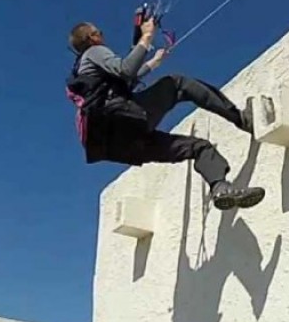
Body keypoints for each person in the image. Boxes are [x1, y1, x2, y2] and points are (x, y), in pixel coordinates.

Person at [65, 17, 265, 210]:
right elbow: (126, 70)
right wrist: (147, 36)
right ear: (92, 38)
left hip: (121, 146)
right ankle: (242, 119)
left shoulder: (83, 73)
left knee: (199, 147)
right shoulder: (94, 52)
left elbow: (126, 79)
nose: (102, 35)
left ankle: (220, 187)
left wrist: (154, 62)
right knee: (178, 84)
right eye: (99, 32)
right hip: (124, 120)